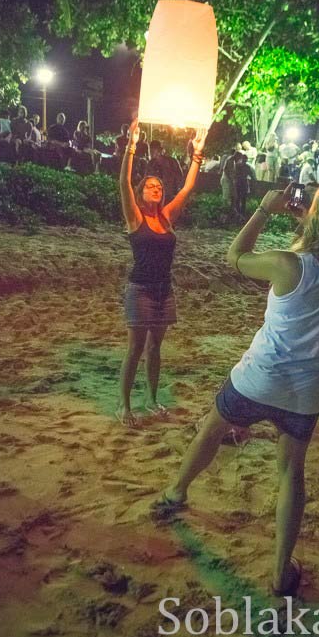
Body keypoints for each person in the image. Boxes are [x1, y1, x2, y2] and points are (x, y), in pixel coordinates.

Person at [152, 180, 319, 596]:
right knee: (291, 472)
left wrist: (265, 210)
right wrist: (304, 218)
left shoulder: (288, 264)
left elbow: (234, 256)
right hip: (306, 389)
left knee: (212, 429)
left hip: (260, 376)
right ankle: (279, 574)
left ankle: (176, 492)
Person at [118, 121, 207, 425]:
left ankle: (152, 399)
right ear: (141, 193)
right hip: (140, 289)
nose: (155, 188)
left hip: (163, 290)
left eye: (159, 187)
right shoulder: (135, 217)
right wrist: (132, 146)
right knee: (135, 349)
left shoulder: (167, 217)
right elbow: (123, 184)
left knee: (155, 348)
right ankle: (125, 405)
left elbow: (188, 187)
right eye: (150, 186)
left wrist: (197, 154)